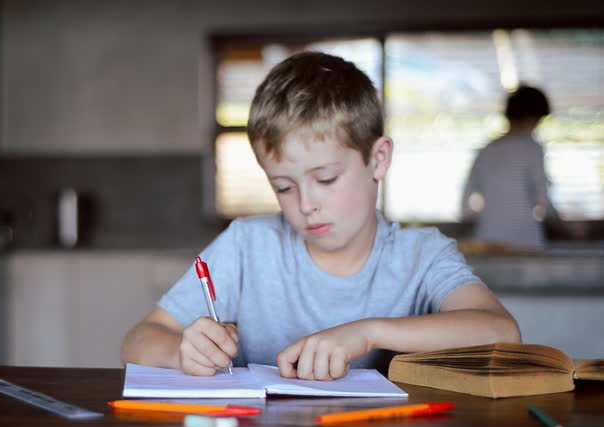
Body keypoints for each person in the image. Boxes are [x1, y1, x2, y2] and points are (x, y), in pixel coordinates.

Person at [120, 51, 521, 381]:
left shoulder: (422, 254)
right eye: (284, 187)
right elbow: (138, 341)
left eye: (326, 178)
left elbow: (503, 334)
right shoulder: (247, 245)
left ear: (378, 159)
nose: (307, 204)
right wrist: (182, 351)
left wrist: (368, 333)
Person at [461, 85, 556, 250]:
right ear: (533, 118)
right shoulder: (531, 148)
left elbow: (466, 203)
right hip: (524, 238)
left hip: (487, 238)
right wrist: (559, 220)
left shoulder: (486, 150)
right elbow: (543, 198)